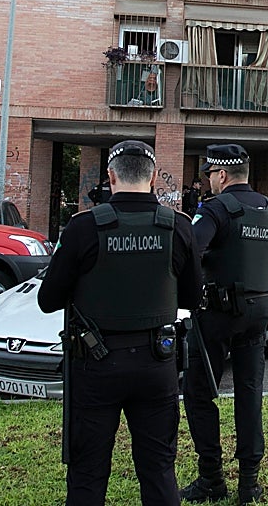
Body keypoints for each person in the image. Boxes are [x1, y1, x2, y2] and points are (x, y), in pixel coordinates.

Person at [38, 140, 202, 506]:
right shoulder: (178, 226)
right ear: (154, 177)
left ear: (110, 176)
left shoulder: (83, 227)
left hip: (95, 365)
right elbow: (192, 299)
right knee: (159, 470)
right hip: (156, 364)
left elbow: (48, 300)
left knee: (87, 473)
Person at [181, 144, 268, 505]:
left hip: (217, 312)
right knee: (249, 393)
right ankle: (249, 485)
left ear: (222, 175)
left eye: (210, 174)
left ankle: (211, 478)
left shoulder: (215, 208)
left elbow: (191, 247)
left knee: (199, 391)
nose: (208, 180)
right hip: (258, 311)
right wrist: (261, 254)